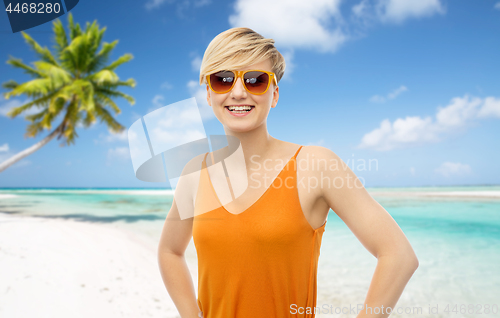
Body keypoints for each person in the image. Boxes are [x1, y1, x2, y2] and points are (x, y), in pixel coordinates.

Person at [157, 27, 419, 318]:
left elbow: (398, 255)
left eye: (255, 80)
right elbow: (170, 251)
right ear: (209, 93)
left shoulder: (315, 165)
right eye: (223, 79)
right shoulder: (195, 172)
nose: (239, 91)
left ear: (275, 94)